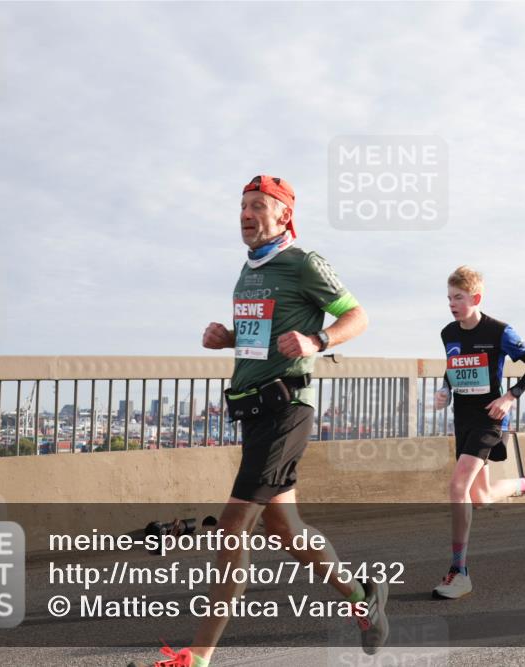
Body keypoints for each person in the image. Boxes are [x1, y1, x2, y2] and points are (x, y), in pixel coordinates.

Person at [131, 176, 384, 667]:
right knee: (286, 528)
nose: (247, 214)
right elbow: (258, 337)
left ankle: (197, 658)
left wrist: (318, 341)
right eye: (243, 206)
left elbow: (357, 315)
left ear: (284, 214)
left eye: (259, 206)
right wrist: (228, 337)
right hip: (253, 409)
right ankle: (362, 598)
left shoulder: (303, 263)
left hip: (287, 407)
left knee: (233, 525)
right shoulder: (248, 271)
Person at [432, 265, 525, 600]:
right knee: (481, 497)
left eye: (458, 297)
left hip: (490, 418)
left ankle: (459, 572)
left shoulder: (500, 331)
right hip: (463, 418)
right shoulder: (448, 333)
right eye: (449, 297)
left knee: (458, 486)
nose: (452, 303)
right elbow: (453, 368)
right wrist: (444, 390)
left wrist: (510, 397)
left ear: (475, 298)